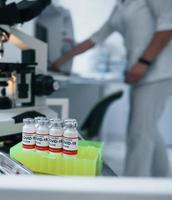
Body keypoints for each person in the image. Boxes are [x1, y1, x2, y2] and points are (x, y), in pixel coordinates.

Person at [51, 0, 172, 177]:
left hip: (157, 71)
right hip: (140, 73)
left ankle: (132, 188)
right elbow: (96, 37)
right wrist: (63, 59)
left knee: (139, 132)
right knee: (146, 128)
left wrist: (143, 63)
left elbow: (167, 27)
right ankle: (162, 178)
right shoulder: (120, 7)